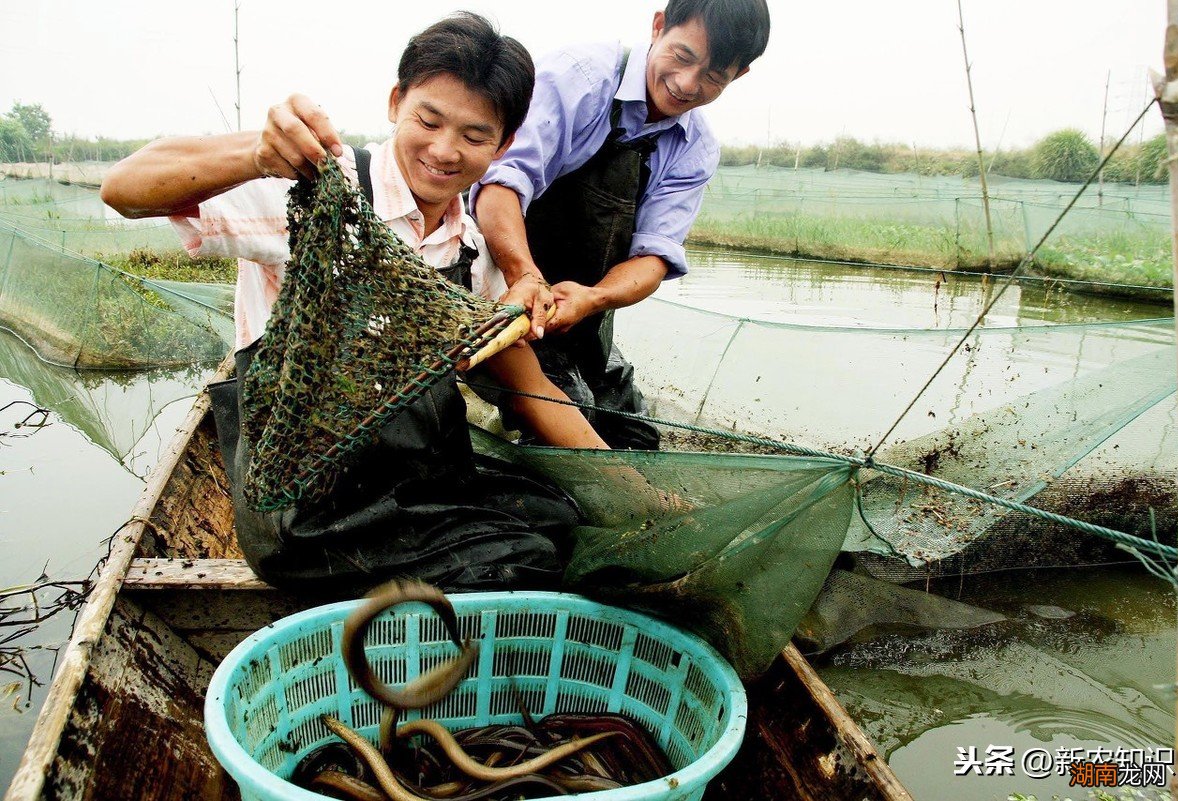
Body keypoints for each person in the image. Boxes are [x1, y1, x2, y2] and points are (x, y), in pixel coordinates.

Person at [101, 13, 600, 595]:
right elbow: (124, 189)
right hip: (309, 511)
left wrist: (632, 482)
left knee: (567, 522)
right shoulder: (315, 192)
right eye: (429, 120)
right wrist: (255, 155)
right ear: (396, 103)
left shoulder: (473, 251)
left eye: (473, 135)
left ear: (504, 144)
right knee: (521, 561)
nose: (444, 150)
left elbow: (526, 386)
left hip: (419, 484)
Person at [472, 0, 770, 450]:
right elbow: (499, 187)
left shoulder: (695, 148)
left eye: (714, 76)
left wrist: (594, 298)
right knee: (568, 414)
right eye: (683, 56)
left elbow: (653, 258)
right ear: (657, 27)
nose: (687, 84)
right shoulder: (579, 78)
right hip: (497, 283)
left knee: (635, 438)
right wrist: (525, 277)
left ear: (738, 76)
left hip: (579, 309)